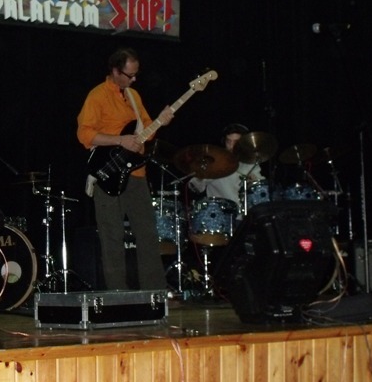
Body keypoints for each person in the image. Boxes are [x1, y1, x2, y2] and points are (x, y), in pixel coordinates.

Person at [77, 47, 174, 290]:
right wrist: (121, 140)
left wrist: (161, 121)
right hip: (107, 174)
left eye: (136, 74)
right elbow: (84, 134)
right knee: (112, 236)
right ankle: (117, 294)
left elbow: (147, 131)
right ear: (115, 71)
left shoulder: (133, 96)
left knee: (148, 233)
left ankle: (155, 292)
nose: (134, 79)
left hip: (137, 175)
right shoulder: (97, 96)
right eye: (129, 75)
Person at [188, 123, 264, 216]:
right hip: (219, 216)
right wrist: (202, 175)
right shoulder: (215, 161)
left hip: (245, 216)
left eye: (235, 142)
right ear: (224, 141)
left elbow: (261, 189)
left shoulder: (250, 163)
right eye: (229, 141)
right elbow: (196, 187)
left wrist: (253, 181)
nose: (231, 146)